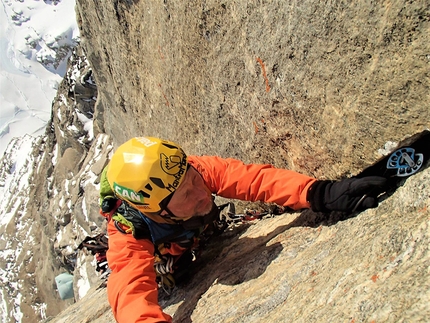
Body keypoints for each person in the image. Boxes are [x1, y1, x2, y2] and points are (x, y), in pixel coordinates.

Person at [99, 136, 387, 323]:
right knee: (177, 263)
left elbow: (253, 180)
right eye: (186, 196)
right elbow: (130, 295)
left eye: (195, 181)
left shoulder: (186, 171)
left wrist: (319, 194)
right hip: (167, 252)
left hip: (188, 232)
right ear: (155, 210)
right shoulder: (129, 231)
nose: (202, 193)